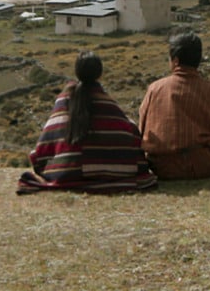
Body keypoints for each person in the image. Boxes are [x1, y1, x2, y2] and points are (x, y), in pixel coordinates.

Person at [16, 52, 157, 194]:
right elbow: (127, 129)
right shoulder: (108, 105)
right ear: (100, 74)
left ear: (77, 72)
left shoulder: (64, 101)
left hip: (66, 172)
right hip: (115, 173)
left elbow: (48, 138)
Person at [138, 31, 210, 180]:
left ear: (175, 61)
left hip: (160, 167)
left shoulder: (154, 89)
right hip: (202, 166)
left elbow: (141, 127)